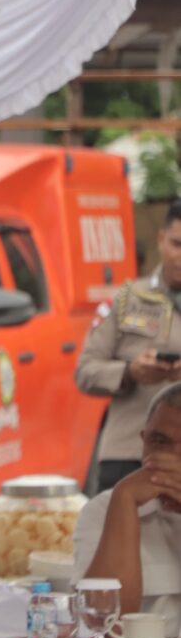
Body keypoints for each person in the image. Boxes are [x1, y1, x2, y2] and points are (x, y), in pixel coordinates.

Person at [76, 200, 181, 493]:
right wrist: (130, 372)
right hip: (127, 455)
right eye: (176, 244)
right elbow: (85, 371)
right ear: (161, 239)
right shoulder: (126, 300)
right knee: (117, 537)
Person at [73, 380, 181, 638]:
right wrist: (125, 501)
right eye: (160, 441)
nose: (172, 457)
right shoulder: (104, 510)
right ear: (143, 441)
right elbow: (103, 632)